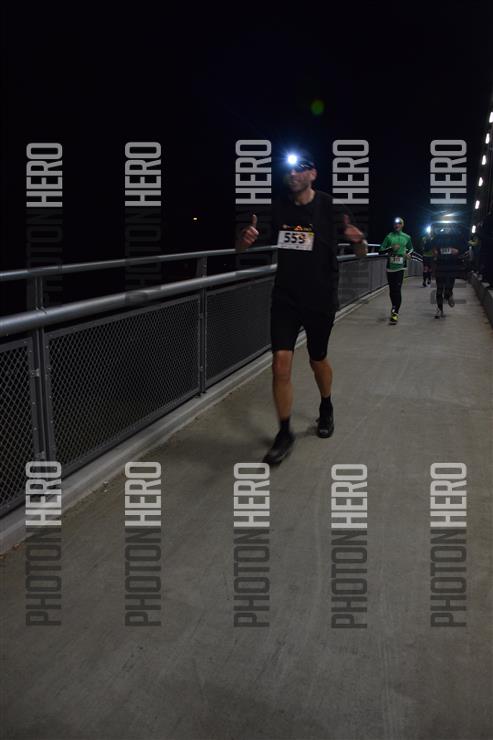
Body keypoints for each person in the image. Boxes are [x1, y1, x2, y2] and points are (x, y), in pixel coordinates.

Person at [236, 151, 367, 465]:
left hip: (320, 298)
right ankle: (284, 433)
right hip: (286, 298)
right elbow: (240, 248)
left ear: (313, 174)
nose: (292, 173)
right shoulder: (278, 207)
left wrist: (358, 241)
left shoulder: (331, 207)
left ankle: (326, 406)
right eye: (288, 169)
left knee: (317, 358)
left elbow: (361, 253)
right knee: (280, 364)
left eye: (299, 168)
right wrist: (244, 239)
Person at [379, 217, 414, 324]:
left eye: (399, 223)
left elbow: (411, 249)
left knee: (397, 290)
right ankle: (394, 307)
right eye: (395, 223)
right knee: (392, 290)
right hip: (390, 267)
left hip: (400, 267)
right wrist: (390, 248)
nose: (397, 225)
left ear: (402, 225)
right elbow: (380, 251)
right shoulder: (389, 236)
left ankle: (395, 312)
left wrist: (409, 254)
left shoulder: (407, 237)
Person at [430, 224, 468, 318]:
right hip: (440, 266)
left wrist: (458, 250)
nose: (446, 228)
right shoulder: (438, 237)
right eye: (445, 226)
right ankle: (439, 309)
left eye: (448, 226)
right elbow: (429, 246)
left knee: (448, 288)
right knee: (439, 289)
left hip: (452, 266)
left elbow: (465, 247)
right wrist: (434, 250)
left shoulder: (456, 236)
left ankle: (449, 295)